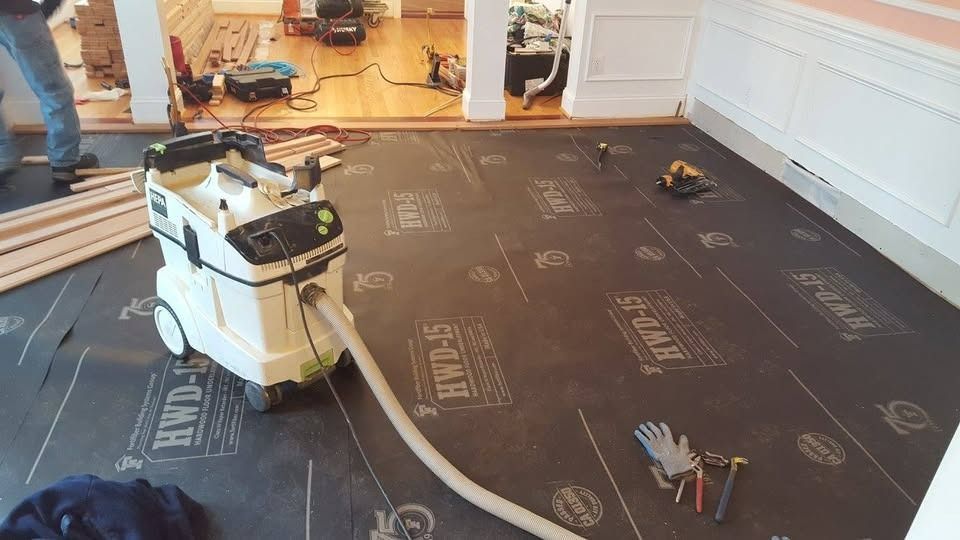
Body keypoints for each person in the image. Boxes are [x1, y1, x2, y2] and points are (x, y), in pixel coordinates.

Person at [0, 0, 99, 184]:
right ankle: (65, 162)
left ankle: (2, 158)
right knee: (53, 89)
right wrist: (38, 10)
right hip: (15, 11)